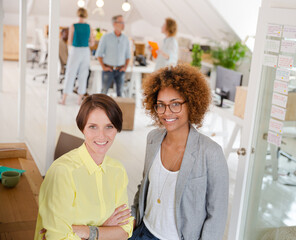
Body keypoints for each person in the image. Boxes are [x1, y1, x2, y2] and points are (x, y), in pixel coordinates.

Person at [130, 64, 229, 240]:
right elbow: (144, 184)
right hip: (143, 232)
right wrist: (133, 218)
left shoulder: (210, 153)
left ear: (191, 104)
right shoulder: (153, 139)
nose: (167, 113)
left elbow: (217, 215)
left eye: (175, 104)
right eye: (161, 105)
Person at [35, 94, 134, 240]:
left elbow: (125, 230)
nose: (102, 135)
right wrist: (105, 229)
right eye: (93, 127)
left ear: (117, 129)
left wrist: (86, 232)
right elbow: (57, 237)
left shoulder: (117, 171)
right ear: (83, 128)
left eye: (109, 126)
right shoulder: (63, 172)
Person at [59, 8, 94, 105]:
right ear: (86, 15)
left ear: (78, 15)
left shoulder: (73, 26)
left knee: (70, 73)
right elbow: (92, 43)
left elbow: (69, 42)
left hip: (75, 51)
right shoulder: (89, 27)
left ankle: (64, 100)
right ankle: (79, 101)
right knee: (83, 75)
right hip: (85, 51)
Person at [95, 15, 131, 97]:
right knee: (104, 92)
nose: (123, 24)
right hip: (108, 70)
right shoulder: (106, 37)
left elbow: (128, 56)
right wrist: (103, 67)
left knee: (120, 93)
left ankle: (119, 109)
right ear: (114, 24)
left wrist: (125, 67)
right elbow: (99, 54)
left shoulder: (125, 39)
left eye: (123, 22)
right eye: (121, 22)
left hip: (120, 71)